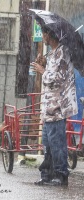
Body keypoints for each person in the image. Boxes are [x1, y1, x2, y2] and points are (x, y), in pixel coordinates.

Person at [30, 25, 78, 186]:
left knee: (57, 143)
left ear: (50, 35)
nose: (43, 36)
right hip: (48, 107)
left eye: (44, 33)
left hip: (58, 106)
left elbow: (58, 79)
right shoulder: (52, 54)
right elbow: (52, 73)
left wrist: (43, 70)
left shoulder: (63, 53)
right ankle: (47, 175)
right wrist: (45, 63)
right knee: (48, 143)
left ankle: (61, 175)